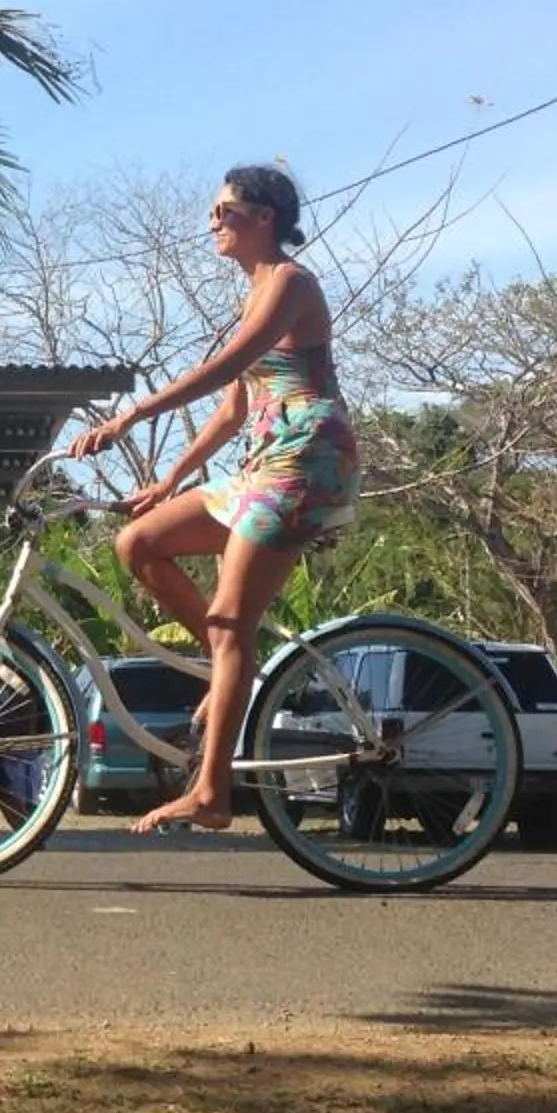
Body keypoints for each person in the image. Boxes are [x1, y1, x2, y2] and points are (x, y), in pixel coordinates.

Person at [67, 163, 358, 835]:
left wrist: (133, 415)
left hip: (306, 459)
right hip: (262, 463)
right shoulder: (254, 293)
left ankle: (211, 794)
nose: (212, 223)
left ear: (264, 218)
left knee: (230, 622)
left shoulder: (291, 282)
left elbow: (225, 366)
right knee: (139, 543)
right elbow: (233, 406)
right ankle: (231, 669)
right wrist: (171, 478)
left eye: (224, 212)